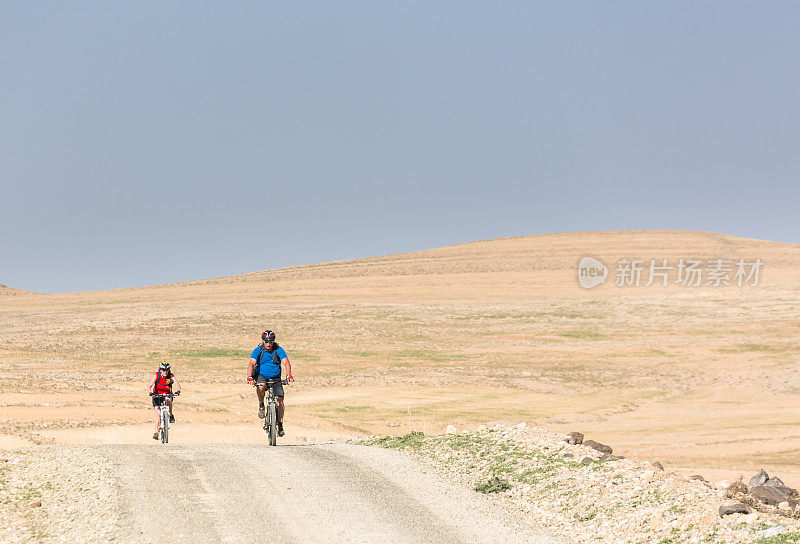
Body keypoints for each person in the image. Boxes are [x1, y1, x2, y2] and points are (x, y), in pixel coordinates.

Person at [247, 330, 294, 436]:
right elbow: (251, 364)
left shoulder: (278, 350)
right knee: (261, 386)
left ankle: (280, 425)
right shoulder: (258, 350)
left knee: (280, 401)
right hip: (261, 376)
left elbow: (286, 362)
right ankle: (261, 405)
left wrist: (288, 375)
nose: (268, 344)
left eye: (271, 342)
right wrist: (250, 377)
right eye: (266, 342)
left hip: (275, 377)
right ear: (263, 341)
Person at [148, 361, 181, 440]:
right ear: (160, 370)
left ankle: (171, 415)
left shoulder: (171, 376)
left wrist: (178, 391)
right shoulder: (157, 375)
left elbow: (178, 385)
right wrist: (150, 392)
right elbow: (149, 385)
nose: (165, 372)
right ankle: (156, 432)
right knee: (159, 414)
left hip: (167, 395)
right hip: (157, 396)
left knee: (168, 399)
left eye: (167, 370)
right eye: (163, 370)